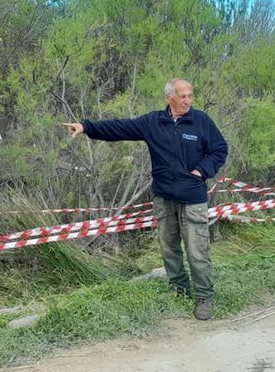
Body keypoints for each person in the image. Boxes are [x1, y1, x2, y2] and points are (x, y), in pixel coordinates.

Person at [62, 78, 228, 320]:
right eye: (182, 96)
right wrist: (86, 127)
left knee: (197, 250)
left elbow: (219, 149)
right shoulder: (153, 122)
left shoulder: (201, 121)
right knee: (169, 249)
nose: (187, 100)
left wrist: (202, 171)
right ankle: (179, 291)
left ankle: (204, 297)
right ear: (168, 98)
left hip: (192, 198)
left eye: (190, 95)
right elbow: (119, 128)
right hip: (163, 198)